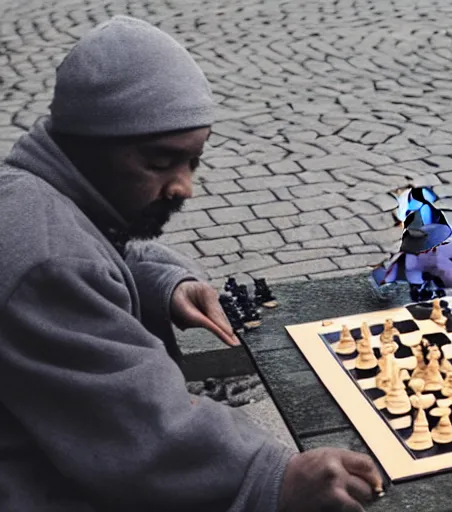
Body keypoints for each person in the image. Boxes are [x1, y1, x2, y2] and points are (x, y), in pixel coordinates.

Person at [0, 15, 383, 512]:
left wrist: (165, 280)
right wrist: (275, 475)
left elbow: (101, 242)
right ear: (86, 144)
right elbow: (145, 435)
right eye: (160, 163)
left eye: (192, 161)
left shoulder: (31, 194)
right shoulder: (49, 262)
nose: (184, 186)